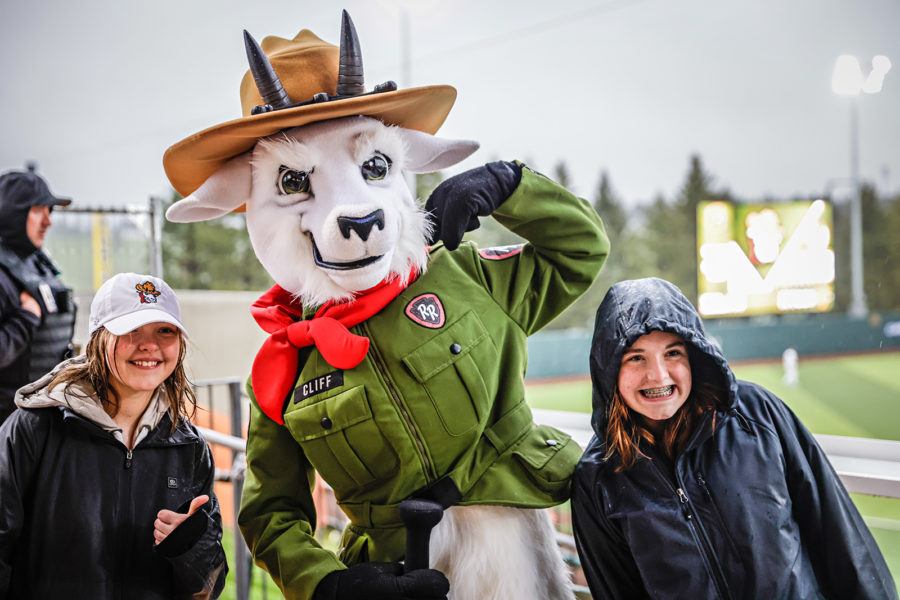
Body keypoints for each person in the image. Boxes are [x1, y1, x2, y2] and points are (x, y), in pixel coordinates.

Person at [571, 277, 897, 599]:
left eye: (672, 353)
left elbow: (841, 539)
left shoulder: (758, 414)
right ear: (610, 367)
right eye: (635, 357)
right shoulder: (597, 476)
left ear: (694, 357)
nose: (658, 375)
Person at [0, 272, 228, 599]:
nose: (149, 344)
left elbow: (209, 587)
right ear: (98, 340)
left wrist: (189, 547)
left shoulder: (188, 448)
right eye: (131, 330)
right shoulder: (35, 428)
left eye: (165, 330)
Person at [0, 168, 76, 425]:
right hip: (6, 425)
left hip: (40, 419)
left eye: (49, 211)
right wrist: (26, 318)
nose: (48, 221)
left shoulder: (37, 263)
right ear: (13, 215)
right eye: (38, 211)